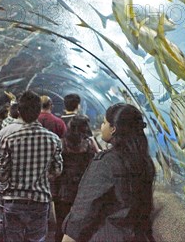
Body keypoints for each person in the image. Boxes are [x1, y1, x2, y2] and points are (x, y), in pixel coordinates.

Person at [62, 103, 155, 242]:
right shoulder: (145, 162)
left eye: (105, 122)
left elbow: (85, 209)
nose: (101, 126)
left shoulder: (106, 162)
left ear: (113, 129)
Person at [0, 90, 63, 242]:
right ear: (39, 111)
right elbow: (57, 170)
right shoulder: (53, 139)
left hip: (13, 200)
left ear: (19, 111)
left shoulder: (9, 139)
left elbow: (2, 174)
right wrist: (41, 175)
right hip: (39, 200)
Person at [53, 115, 100, 242]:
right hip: (83, 190)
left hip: (62, 190)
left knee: (61, 224)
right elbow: (97, 162)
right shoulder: (89, 144)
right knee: (80, 225)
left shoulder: (61, 142)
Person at [0, 102, 25, 242]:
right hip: (27, 188)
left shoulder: (4, 130)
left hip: (5, 186)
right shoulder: (40, 132)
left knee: (2, 221)